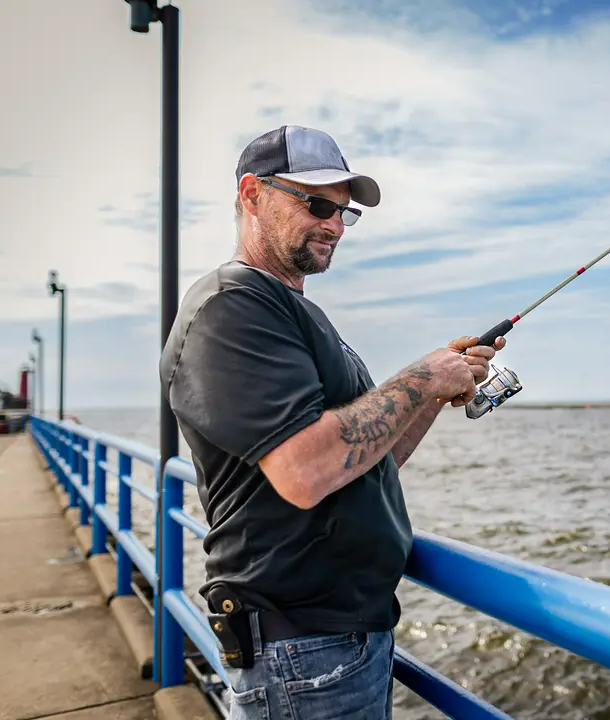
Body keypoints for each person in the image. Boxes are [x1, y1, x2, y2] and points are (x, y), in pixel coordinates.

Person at [158, 124, 504, 719]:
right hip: (300, 648)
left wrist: (430, 394)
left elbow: (367, 458)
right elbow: (303, 469)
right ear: (251, 194)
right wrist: (421, 377)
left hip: (338, 640)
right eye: (316, 204)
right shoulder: (232, 307)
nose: (334, 225)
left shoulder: (294, 312)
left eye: (344, 213)